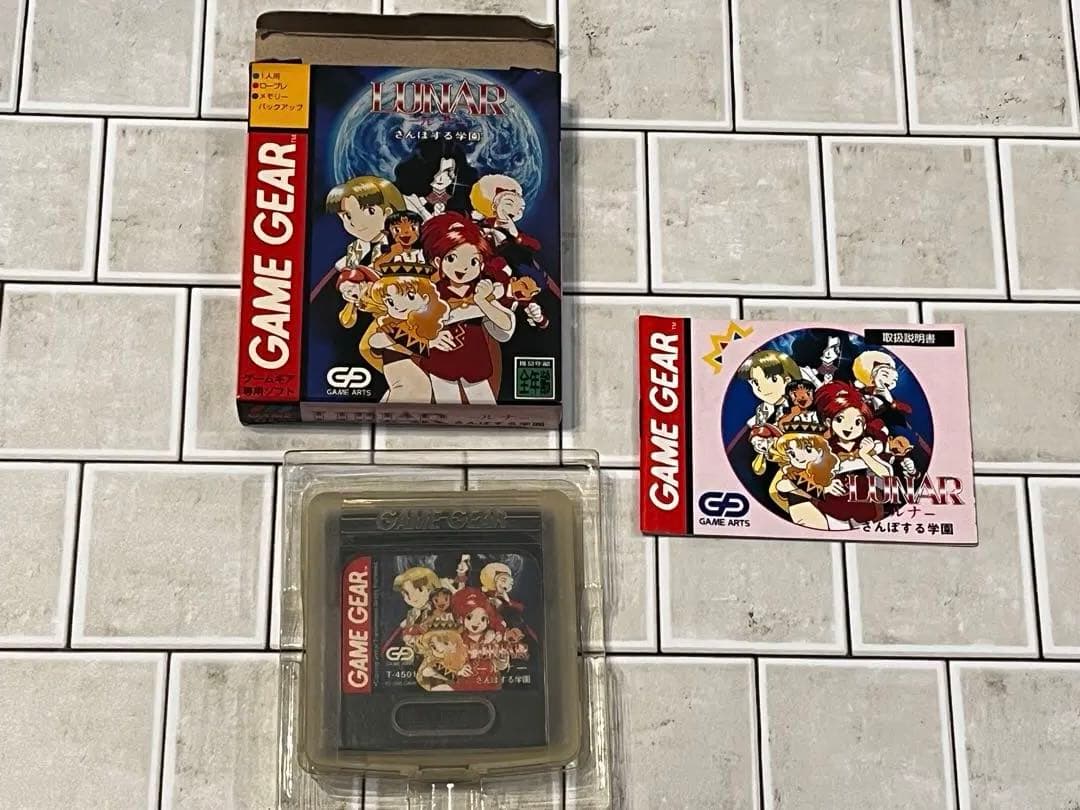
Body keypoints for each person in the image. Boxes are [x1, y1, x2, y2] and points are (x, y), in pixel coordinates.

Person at [419, 213, 515, 404]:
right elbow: (415, 325)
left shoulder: (482, 292)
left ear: (481, 265)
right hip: (441, 363)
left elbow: (506, 325)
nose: (463, 268)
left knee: (485, 408)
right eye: (452, 258)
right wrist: (431, 339)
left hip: (475, 363)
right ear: (437, 261)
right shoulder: (431, 292)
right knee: (446, 409)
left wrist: (483, 302)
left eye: (473, 261)